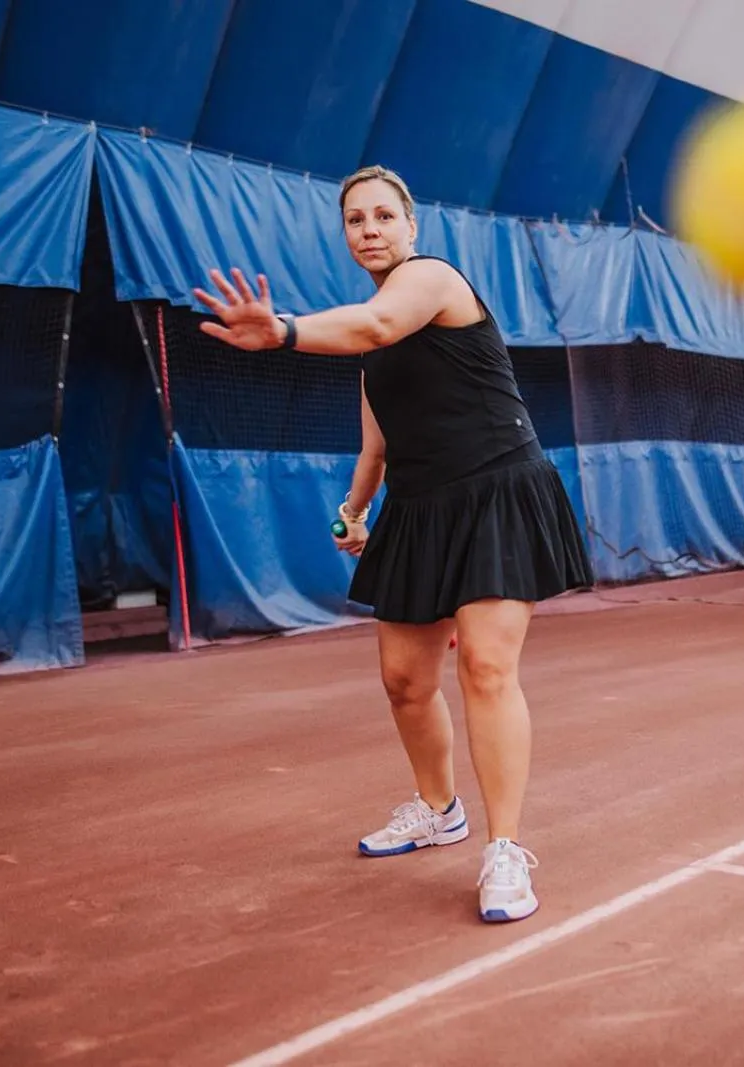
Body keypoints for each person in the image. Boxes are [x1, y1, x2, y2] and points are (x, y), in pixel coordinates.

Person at [191, 165, 594, 923]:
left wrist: (281, 331)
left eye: (383, 216)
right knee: (404, 680)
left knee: (484, 662)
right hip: (418, 508)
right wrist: (353, 511)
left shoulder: (433, 281)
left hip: (497, 489)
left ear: (411, 228)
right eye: (355, 220)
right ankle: (440, 810)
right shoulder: (375, 343)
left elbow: (372, 325)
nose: (369, 229)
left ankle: (505, 850)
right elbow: (377, 443)